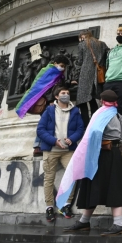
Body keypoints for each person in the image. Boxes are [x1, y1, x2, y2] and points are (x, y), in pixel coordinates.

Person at [64, 90, 122, 236]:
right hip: (114, 153)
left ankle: (118, 224)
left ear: (102, 101)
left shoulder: (101, 113)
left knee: (96, 185)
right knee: (110, 186)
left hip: (102, 153)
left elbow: (94, 133)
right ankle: (85, 221)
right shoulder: (118, 114)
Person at [36, 86, 85, 222]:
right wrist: (54, 141)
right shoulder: (49, 110)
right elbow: (40, 130)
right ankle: (49, 206)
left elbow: (80, 129)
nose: (66, 95)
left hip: (68, 151)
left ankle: (66, 204)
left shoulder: (75, 111)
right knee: (49, 178)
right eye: (63, 93)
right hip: (51, 150)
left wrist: (72, 139)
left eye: (68, 93)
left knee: (72, 177)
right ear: (57, 96)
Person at [28, 54, 71, 157]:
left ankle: (40, 146)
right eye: (61, 65)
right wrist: (51, 99)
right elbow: (46, 87)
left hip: (52, 102)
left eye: (64, 66)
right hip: (48, 103)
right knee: (44, 124)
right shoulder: (50, 72)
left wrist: (69, 83)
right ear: (55, 63)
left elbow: (60, 86)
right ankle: (37, 146)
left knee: (47, 124)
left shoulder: (56, 72)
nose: (63, 67)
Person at [75, 30, 109, 128]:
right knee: (93, 99)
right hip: (97, 76)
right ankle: (95, 122)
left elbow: (79, 62)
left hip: (85, 75)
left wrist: (75, 77)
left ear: (82, 36)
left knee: (82, 101)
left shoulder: (82, 45)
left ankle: (86, 124)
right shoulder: (102, 44)